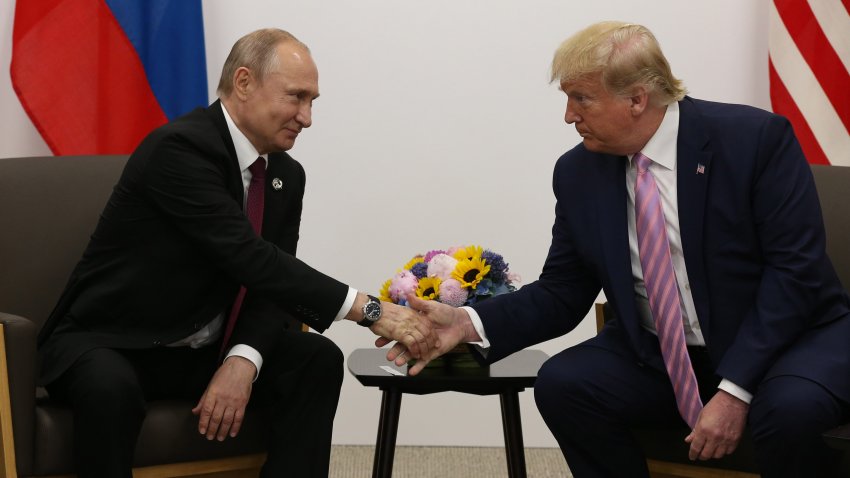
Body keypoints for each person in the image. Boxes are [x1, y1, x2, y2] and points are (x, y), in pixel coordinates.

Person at [387, 21, 850, 477]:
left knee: (789, 412)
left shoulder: (752, 141)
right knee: (565, 385)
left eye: (581, 98)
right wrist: (469, 322)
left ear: (636, 99)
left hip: (786, 344)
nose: (569, 115)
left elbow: (795, 274)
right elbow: (563, 291)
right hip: (664, 356)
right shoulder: (578, 173)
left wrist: (735, 390)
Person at [38, 28, 435, 478]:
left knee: (315, 361)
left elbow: (271, 285)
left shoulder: (286, 175)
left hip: (200, 349)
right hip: (113, 341)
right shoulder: (179, 150)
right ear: (244, 83)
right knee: (110, 388)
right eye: (295, 97)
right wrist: (368, 310)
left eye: (312, 102)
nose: (306, 118)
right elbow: (250, 257)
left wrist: (243, 359)